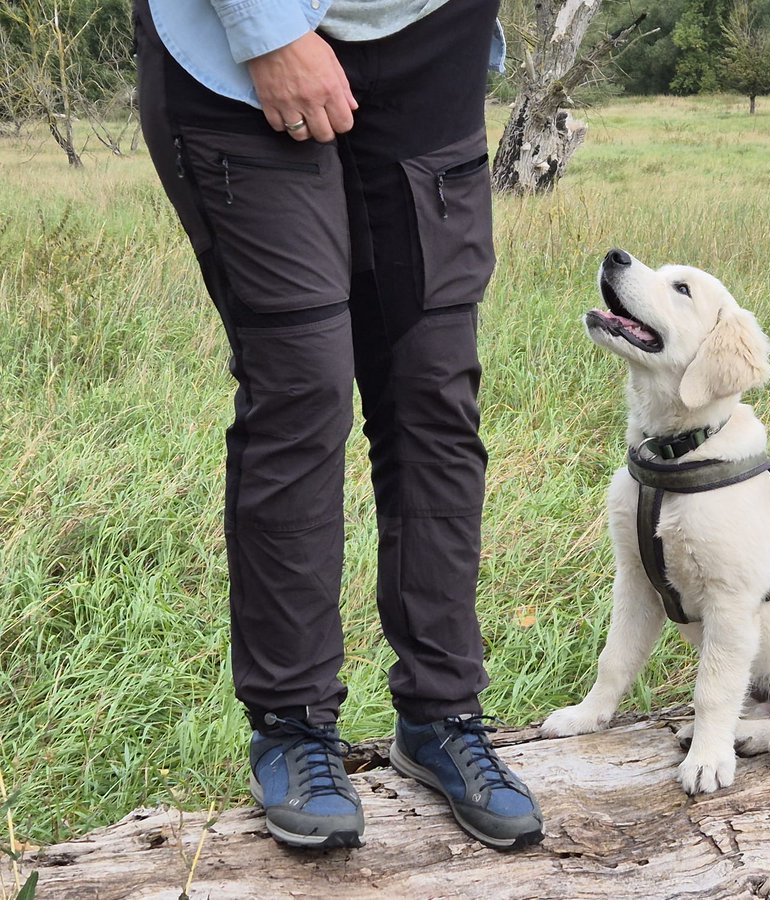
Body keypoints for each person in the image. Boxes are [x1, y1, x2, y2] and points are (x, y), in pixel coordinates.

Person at [131, 0, 543, 852]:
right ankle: (291, 725)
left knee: (433, 389)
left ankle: (442, 713)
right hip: (235, 56)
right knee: (303, 387)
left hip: (430, 41)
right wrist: (266, 28)